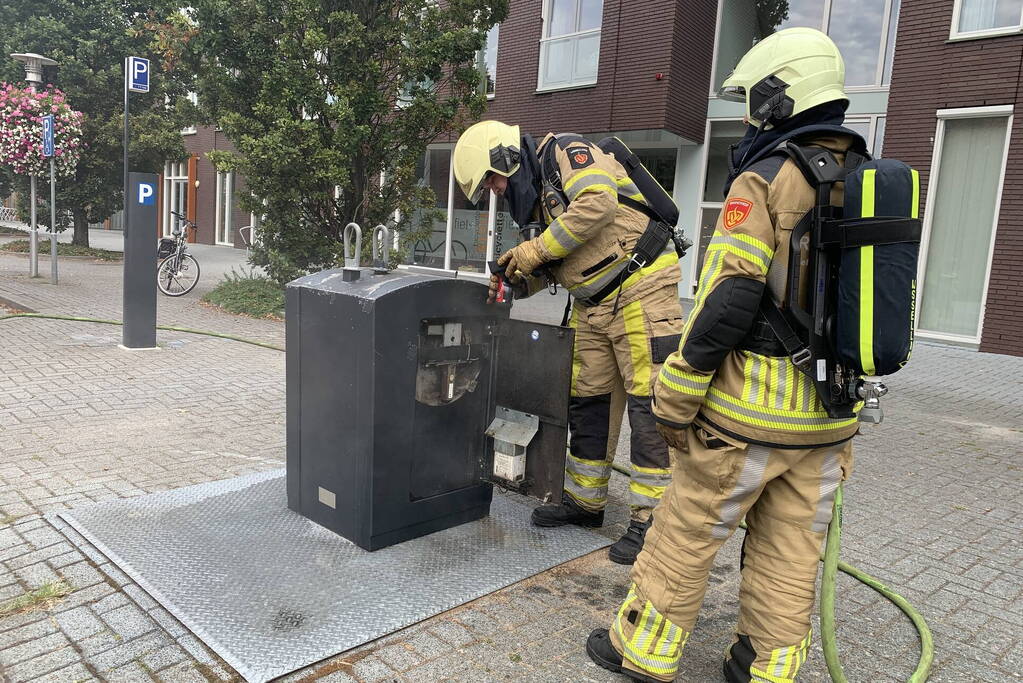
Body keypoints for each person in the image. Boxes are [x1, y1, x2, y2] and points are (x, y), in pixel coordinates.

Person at [584, 27, 869, 682]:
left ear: (778, 98)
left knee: (686, 531)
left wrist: (674, 396)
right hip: (831, 419)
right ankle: (763, 666)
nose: (747, 115)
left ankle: (643, 649)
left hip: (746, 420)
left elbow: (727, 303)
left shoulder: (765, 180)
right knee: (792, 550)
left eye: (752, 100)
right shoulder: (871, 181)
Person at [452, 121, 685, 565]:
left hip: (640, 288)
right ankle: (586, 503)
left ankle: (652, 521)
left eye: (492, 181)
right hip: (591, 304)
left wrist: (532, 252)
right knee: (587, 402)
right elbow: (553, 263)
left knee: (647, 405)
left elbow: (598, 204)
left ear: (504, 157)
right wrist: (515, 283)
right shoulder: (537, 203)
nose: (498, 192)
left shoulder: (566, 152)